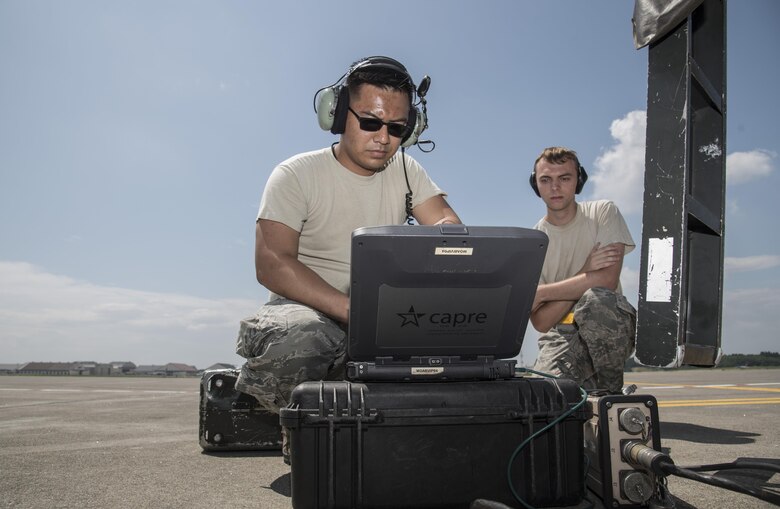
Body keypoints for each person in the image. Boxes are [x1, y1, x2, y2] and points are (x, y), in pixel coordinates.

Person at [235, 56, 461, 414]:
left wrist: (448, 233)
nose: (384, 138)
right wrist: (356, 312)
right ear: (338, 114)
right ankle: (302, 431)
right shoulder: (295, 174)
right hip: (307, 312)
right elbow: (272, 263)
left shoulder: (407, 170)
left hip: (383, 317)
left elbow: (448, 227)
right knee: (301, 336)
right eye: (370, 122)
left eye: (397, 128)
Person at [528, 146, 635, 394]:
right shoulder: (535, 241)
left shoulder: (602, 213)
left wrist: (543, 294)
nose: (555, 187)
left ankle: (611, 395)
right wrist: (586, 272)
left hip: (609, 324)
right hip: (561, 336)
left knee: (596, 300)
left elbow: (606, 281)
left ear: (578, 181)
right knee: (548, 398)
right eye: (546, 180)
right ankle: (587, 386)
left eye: (564, 178)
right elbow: (542, 322)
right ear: (536, 186)